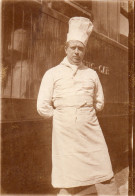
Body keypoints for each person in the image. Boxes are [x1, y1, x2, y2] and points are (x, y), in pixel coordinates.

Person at [37, 17, 118, 195]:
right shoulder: (52, 74)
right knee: (68, 176)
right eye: (73, 47)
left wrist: (84, 114)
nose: (76, 52)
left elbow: (99, 102)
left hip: (90, 129)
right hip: (65, 133)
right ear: (65, 49)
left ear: (84, 51)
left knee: (103, 170)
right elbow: (43, 106)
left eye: (80, 48)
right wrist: (63, 116)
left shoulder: (91, 74)